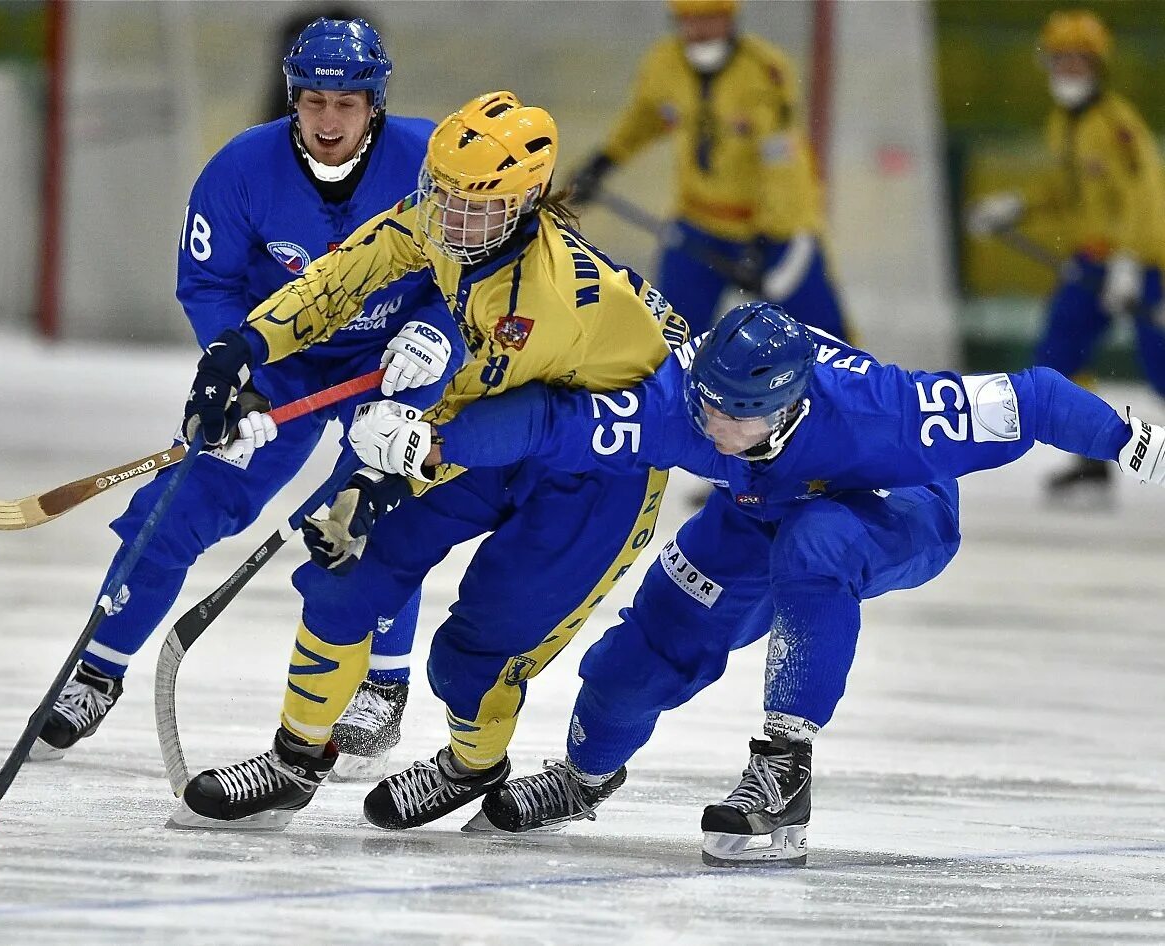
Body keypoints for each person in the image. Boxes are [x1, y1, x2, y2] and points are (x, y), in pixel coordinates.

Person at [347, 300, 1165, 865]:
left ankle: (784, 767)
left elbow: (1040, 398)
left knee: (814, 544)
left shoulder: (891, 411)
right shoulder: (686, 405)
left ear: (787, 406)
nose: (712, 429)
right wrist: (436, 440)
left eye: (734, 416)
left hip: (892, 507)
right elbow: (557, 424)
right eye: (705, 408)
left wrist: (1134, 441)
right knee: (639, 657)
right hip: (757, 507)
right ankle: (587, 778)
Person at [169, 90, 688, 832]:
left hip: (591, 473)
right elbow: (339, 279)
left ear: (524, 205)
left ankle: (475, 765)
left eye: (470, 207)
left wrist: (375, 480)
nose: (445, 220)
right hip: (488, 429)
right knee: (346, 572)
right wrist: (240, 349)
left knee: (475, 652)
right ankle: (294, 759)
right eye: (437, 194)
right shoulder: (458, 220)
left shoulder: (543, 300)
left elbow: (470, 423)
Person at [35, 18, 461, 782]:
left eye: (347, 104)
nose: (329, 122)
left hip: (391, 362)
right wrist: (240, 382)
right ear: (294, 99)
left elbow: (475, 270)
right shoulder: (240, 169)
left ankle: (384, 679)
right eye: (314, 102)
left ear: (375, 105)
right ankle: (97, 672)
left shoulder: (431, 165)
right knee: (176, 505)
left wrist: (434, 335)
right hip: (282, 359)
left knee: (370, 514)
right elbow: (208, 284)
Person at [967, 9, 1165, 504]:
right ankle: (1092, 461)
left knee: (1161, 365)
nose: (1069, 69)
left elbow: (1145, 198)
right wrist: (1016, 205)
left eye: (1079, 59)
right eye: (1061, 59)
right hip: (1092, 260)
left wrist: (1129, 261)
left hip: (1144, 262)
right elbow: (1065, 190)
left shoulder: (1118, 124)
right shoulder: (1064, 123)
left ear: (1097, 65)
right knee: (1059, 354)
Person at [567, 0, 846, 341]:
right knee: (667, 339)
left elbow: (782, 164)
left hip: (772, 232)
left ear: (729, 17)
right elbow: (643, 119)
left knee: (827, 338)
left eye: (709, 19)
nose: (698, 31)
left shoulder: (763, 71)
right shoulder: (664, 63)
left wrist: (769, 236)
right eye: (688, 21)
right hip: (698, 226)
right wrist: (602, 163)